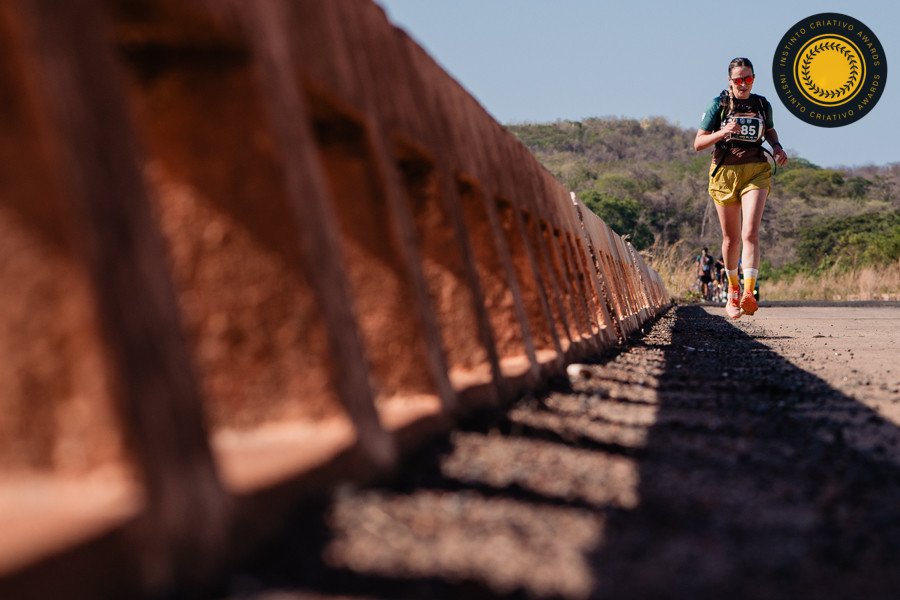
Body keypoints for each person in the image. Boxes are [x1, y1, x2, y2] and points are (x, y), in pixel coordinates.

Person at [694, 57, 788, 319]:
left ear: (753, 79)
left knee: (750, 233)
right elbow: (698, 143)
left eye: (748, 79)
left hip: (756, 170)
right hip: (724, 173)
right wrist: (723, 132)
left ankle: (748, 293)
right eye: (738, 80)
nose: (743, 84)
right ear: (730, 81)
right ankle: (732, 291)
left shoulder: (761, 104)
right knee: (730, 239)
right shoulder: (719, 105)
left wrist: (778, 147)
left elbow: (769, 131)